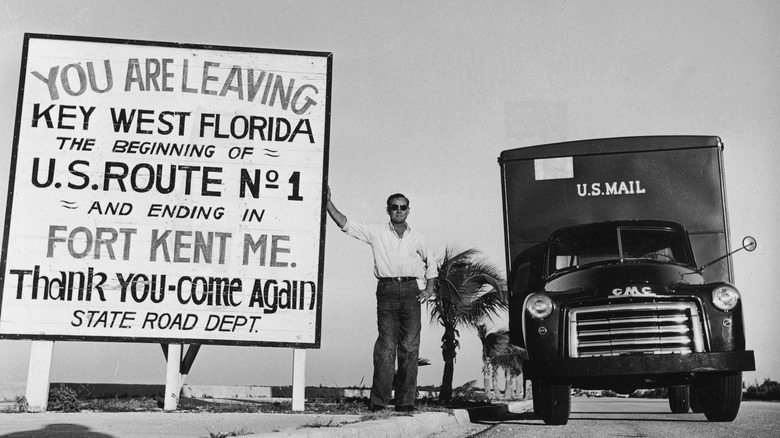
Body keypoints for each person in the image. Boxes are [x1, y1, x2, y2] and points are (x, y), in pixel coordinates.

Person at [326, 187, 436, 412]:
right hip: (386, 290)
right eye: (394, 207)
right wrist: (328, 202)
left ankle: (406, 403)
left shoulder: (417, 237)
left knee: (410, 347)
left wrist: (429, 290)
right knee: (386, 346)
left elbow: (431, 263)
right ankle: (378, 402)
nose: (398, 211)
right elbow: (345, 224)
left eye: (402, 207)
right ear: (388, 210)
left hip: (410, 290)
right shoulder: (376, 232)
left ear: (408, 211)